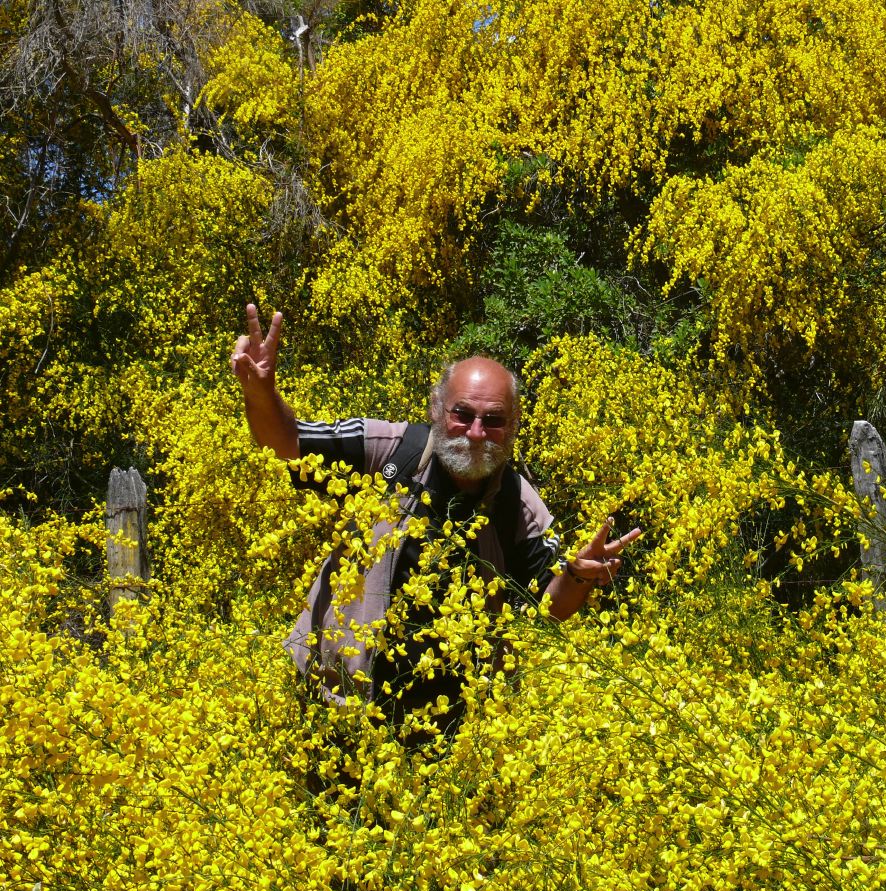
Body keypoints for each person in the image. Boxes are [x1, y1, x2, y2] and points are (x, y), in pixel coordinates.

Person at [231, 303, 641, 743]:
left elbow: (551, 603)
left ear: (515, 426)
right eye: (462, 414)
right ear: (436, 410)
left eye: (495, 420)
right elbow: (290, 443)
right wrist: (261, 394)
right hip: (338, 706)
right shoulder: (387, 452)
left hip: (451, 735)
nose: (476, 432)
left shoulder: (518, 504)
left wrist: (577, 576)